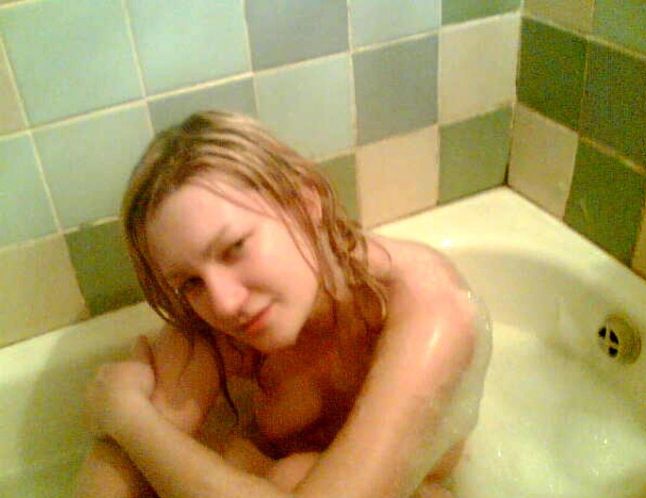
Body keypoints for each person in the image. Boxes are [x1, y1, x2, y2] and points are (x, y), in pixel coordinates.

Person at [74, 111, 491, 498]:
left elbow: (134, 426)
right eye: (190, 282)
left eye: (235, 247)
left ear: (305, 203)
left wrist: (129, 418)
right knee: (245, 462)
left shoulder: (430, 307)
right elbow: (106, 483)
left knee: (283, 474)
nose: (224, 303)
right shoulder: (219, 316)